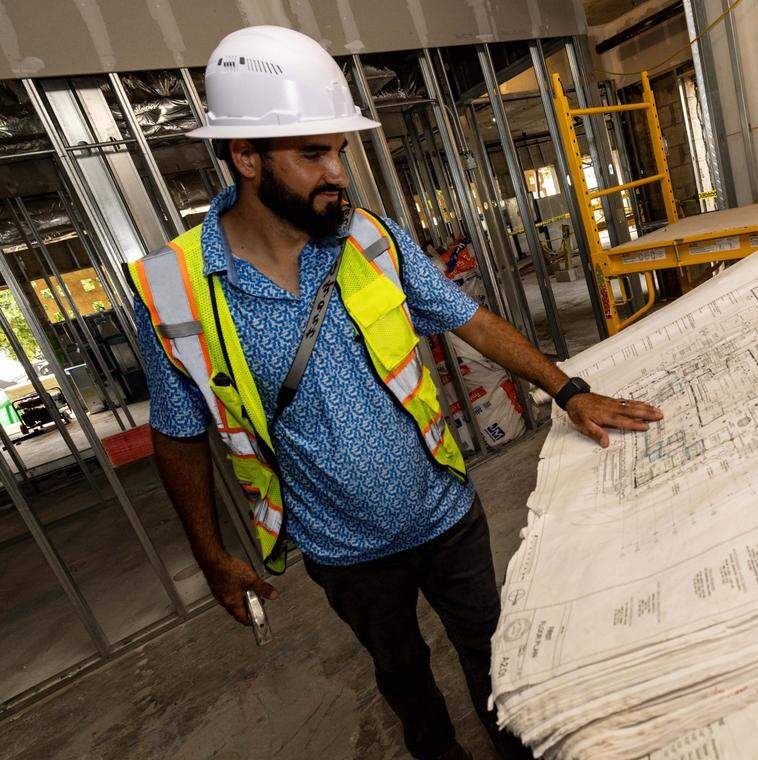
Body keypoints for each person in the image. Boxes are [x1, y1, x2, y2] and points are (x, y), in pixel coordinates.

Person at [129, 25, 662, 760]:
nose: (338, 172)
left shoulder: (369, 238)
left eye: (340, 151)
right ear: (246, 157)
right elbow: (177, 430)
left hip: (447, 514)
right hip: (344, 553)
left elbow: (468, 318)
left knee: (497, 662)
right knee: (405, 679)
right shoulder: (173, 288)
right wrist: (213, 554)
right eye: (314, 153)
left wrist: (567, 391)